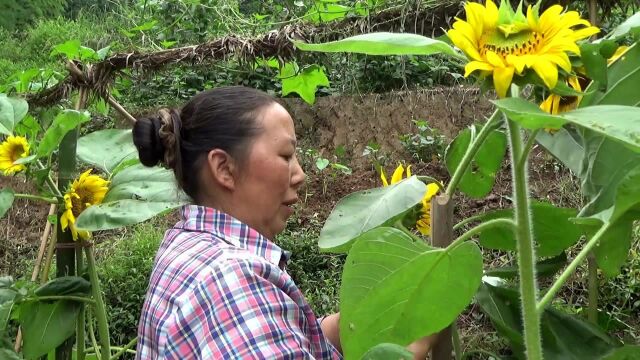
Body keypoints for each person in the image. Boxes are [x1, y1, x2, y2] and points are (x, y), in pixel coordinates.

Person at [133, 86, 435, 359]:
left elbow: (274, 338)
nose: (300, 174)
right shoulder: (232, 282)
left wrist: (359, 320)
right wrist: (412, 347)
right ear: (224, 168)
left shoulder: (187, 245)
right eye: (286, 155)